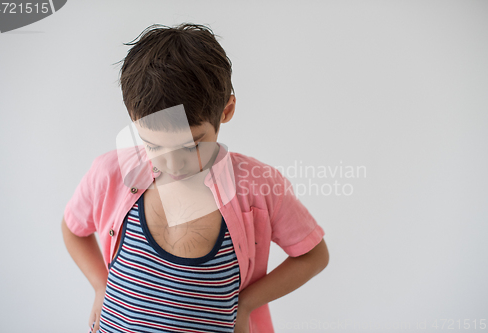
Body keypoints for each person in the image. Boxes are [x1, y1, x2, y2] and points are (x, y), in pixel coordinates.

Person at [62, 22, 329, 333]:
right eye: (153, 144)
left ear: (226, 110)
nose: (174, 163)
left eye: (191, 145)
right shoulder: (111, 173)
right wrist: (100, 286)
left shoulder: (259, 185)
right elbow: (74, 230)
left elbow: (313, 256)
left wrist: (245, 305)